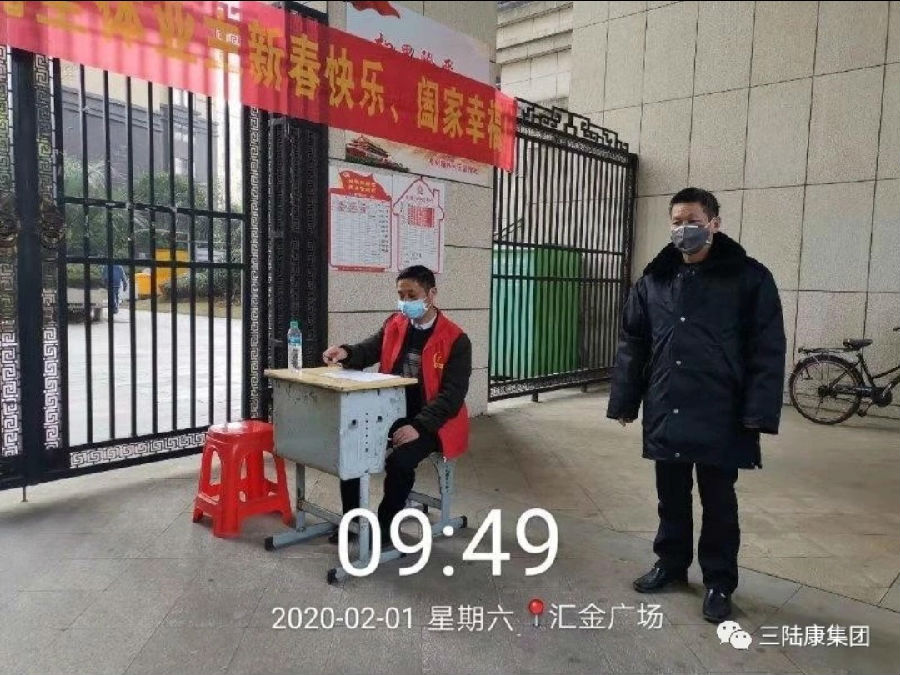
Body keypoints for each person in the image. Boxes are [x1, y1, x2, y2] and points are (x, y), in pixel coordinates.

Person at [606, 187, 786, 623]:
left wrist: (758, 413)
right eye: (677, 222)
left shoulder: (748, 278)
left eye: (693, 221)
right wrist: (626, 400)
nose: (683, 229)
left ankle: (719, 582)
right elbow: (634, 341)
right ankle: (670, 564)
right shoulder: (654, 279)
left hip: (721, 411)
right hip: (667, 403)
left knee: (719, 502)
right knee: (671, 496)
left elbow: (767, 348)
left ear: (714, 224)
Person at [322, 265, 472, 547]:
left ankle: (385, 525)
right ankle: (354, 521)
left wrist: (418, 427)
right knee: (352, 448)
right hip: (391, 412)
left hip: (433, 421)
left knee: (400, 461)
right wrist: (346, 352)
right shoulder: (395, 323)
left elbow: (452, 396)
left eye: (411, 295)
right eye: (401, 295)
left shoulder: (456, 340)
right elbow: (369, 349)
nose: (405, 302)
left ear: (431, 294)